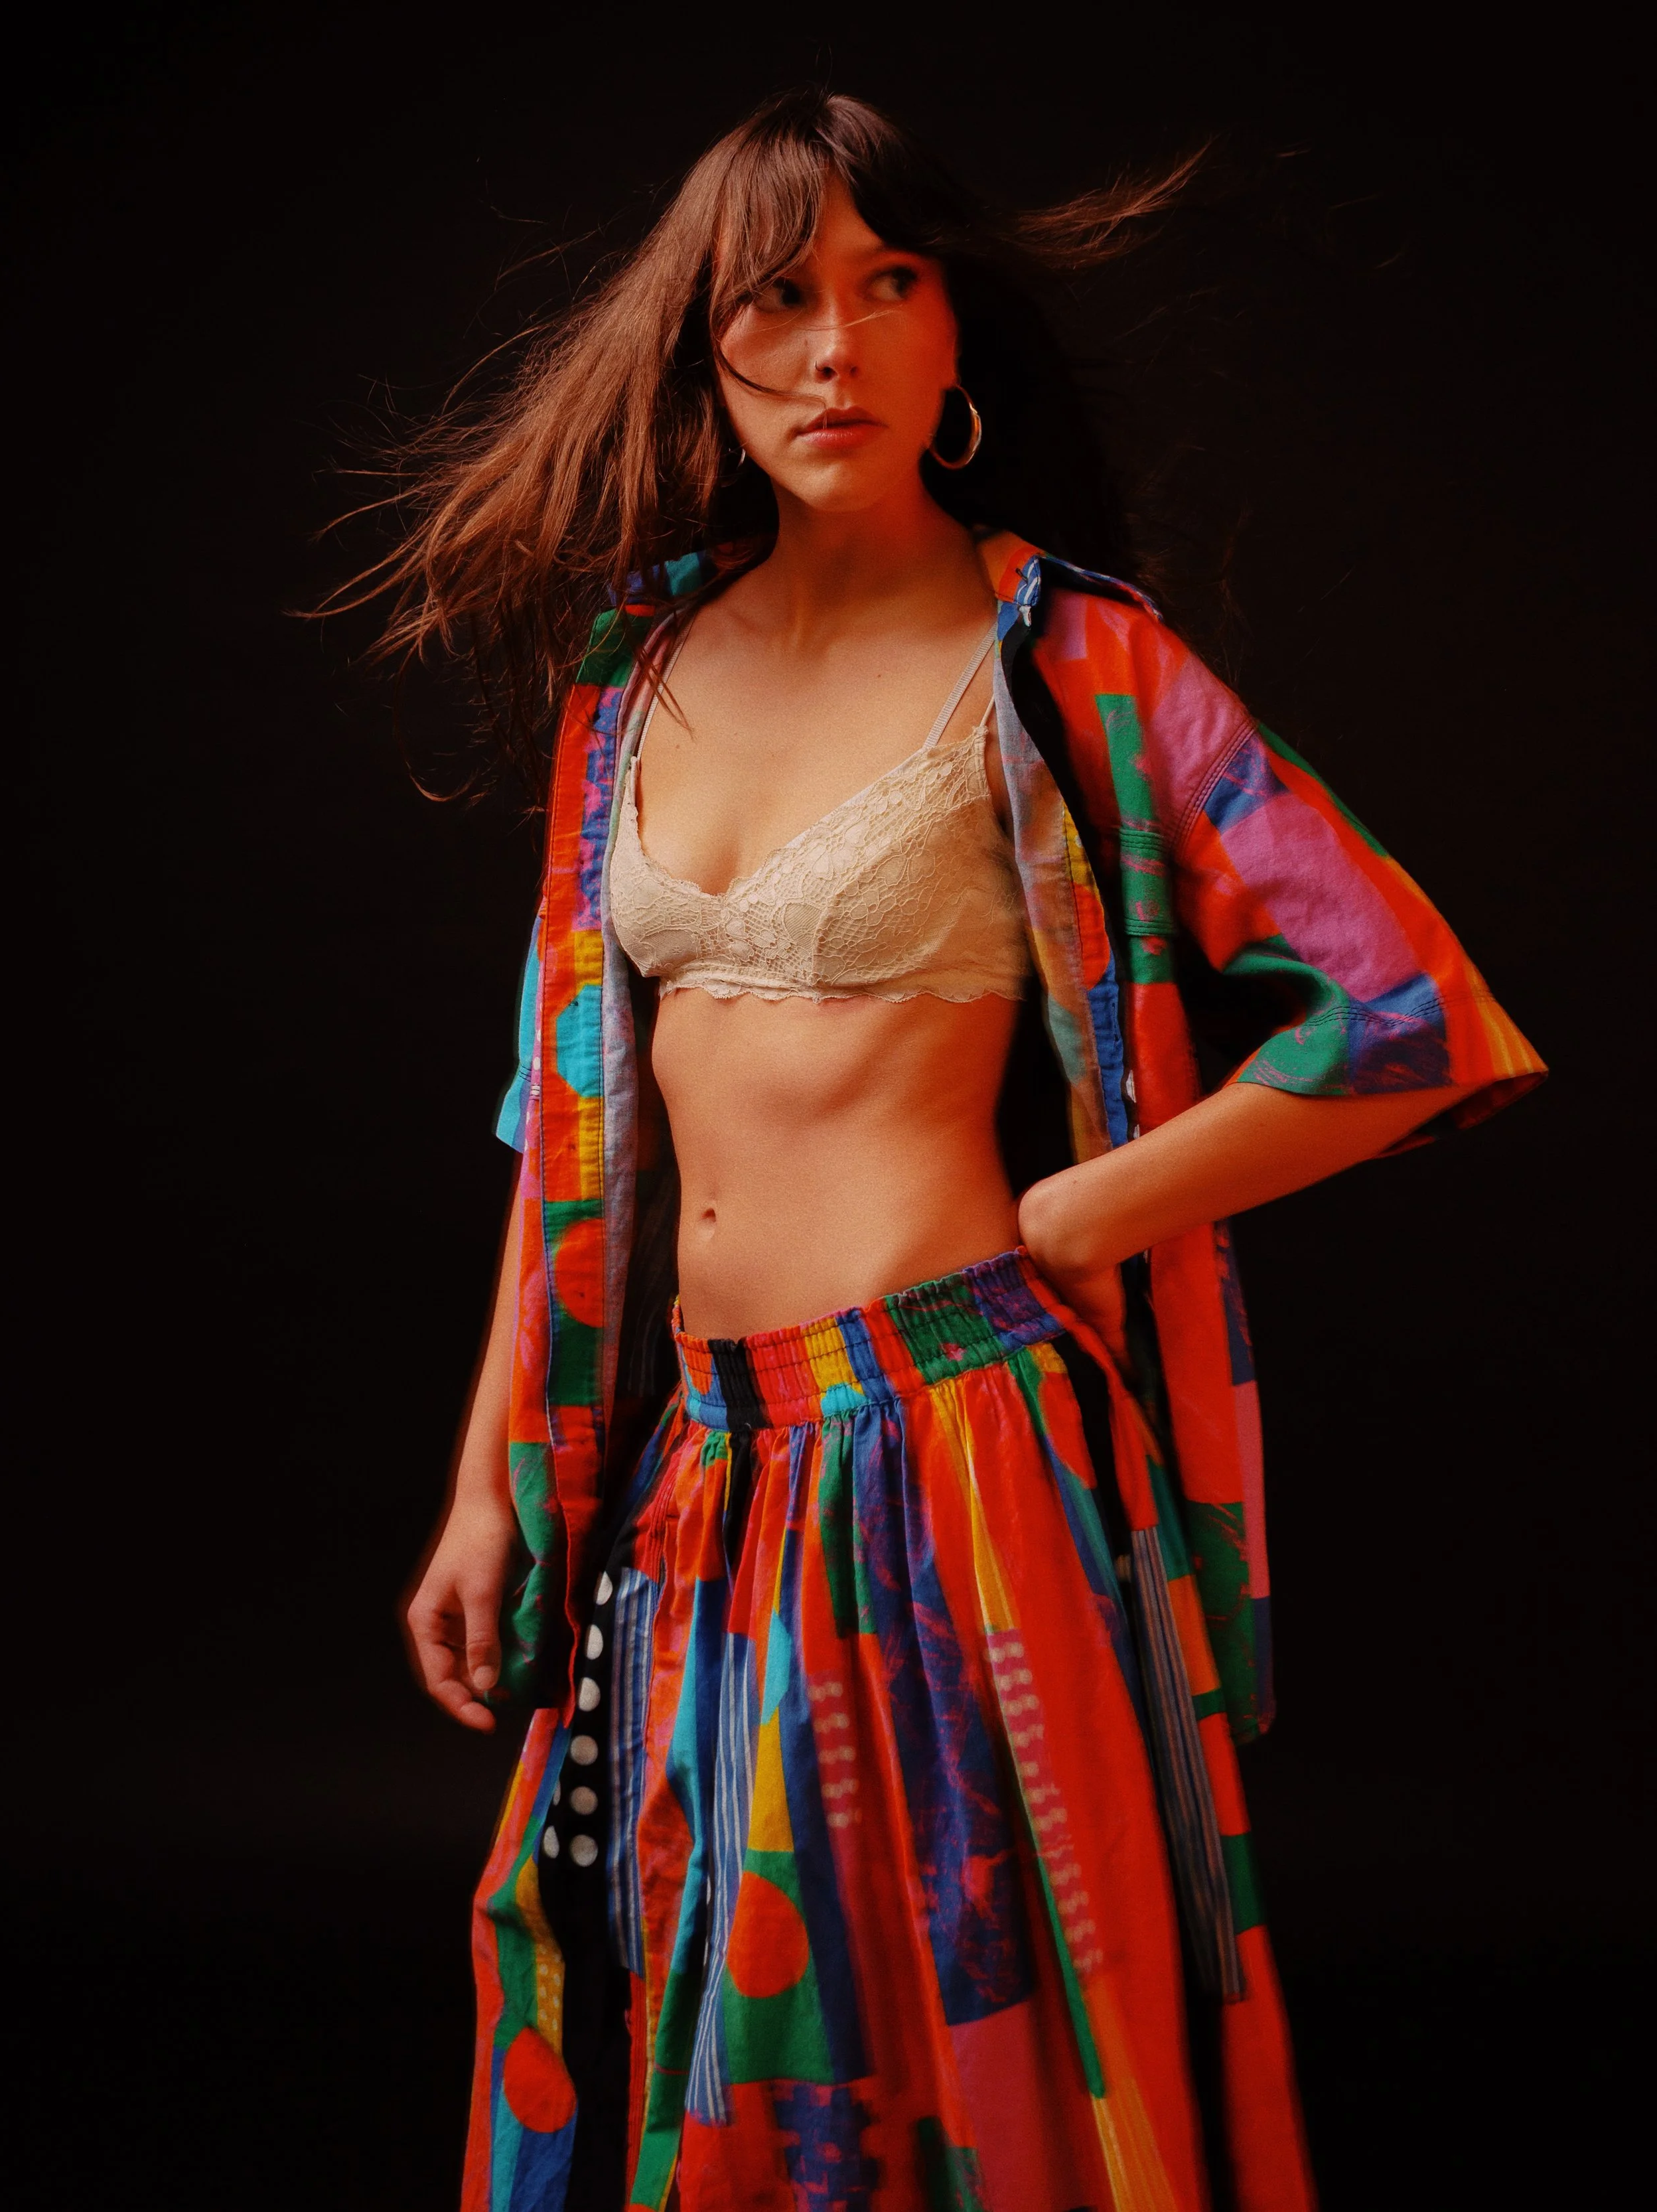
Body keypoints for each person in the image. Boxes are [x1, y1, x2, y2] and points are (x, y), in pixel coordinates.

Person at [376, 89, 1544, 2212]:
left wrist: (1087, 1203)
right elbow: (568, 1139)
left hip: (963, 1453)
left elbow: (1402, 1012)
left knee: (986, 2062)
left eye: (884, 284)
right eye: (773, 298)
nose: (832, 345)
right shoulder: (633, 672)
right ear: (703, 349)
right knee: (728, 2054)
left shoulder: (1067, 659)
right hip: (700, 1473)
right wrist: (482, 1487)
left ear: (950, 336)